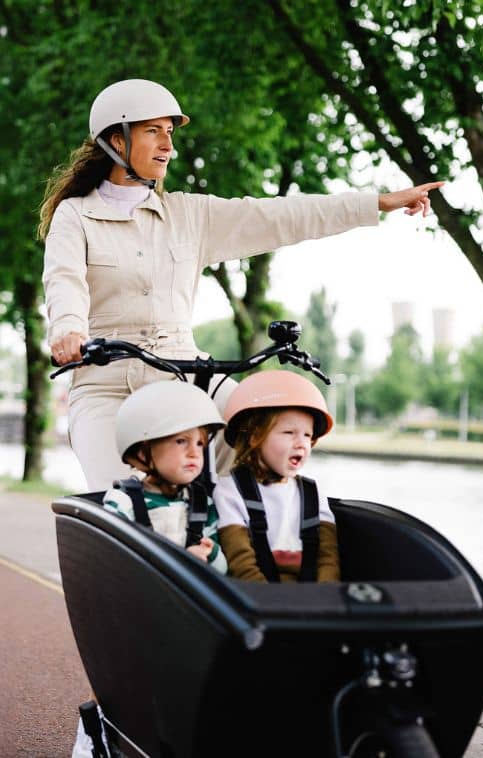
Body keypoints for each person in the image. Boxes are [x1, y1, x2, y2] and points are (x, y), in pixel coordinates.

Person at [40, 77, 444, 492]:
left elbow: (283, 215)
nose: (168, 145)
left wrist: (376, 202)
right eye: (152, 131)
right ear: (117, 141)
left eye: (170, 132)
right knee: (121, 499)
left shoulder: (189, 215)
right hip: (105, 380)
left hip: (183, 372)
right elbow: (64, 281)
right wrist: (69, 330)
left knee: (261, 434)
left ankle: (256, 543)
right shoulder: (75, 216)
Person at [213, 369, 340, 583]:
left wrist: (324, 597)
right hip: (261, 600)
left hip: (313, 599)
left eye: (307, 435)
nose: (301, 443)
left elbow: (328, 561)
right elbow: (240, 563)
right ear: (255, 437)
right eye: (289, 433)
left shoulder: (313, 493)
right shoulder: (230, 491)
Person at [102, 380, 228, 573]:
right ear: (144, 452)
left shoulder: (203, 503)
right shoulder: (123, 502)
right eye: (181, 441)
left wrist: (209, 553)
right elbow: (113, 564)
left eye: (200, 444)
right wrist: (183, 561)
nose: (194, 453)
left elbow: (223, 570)